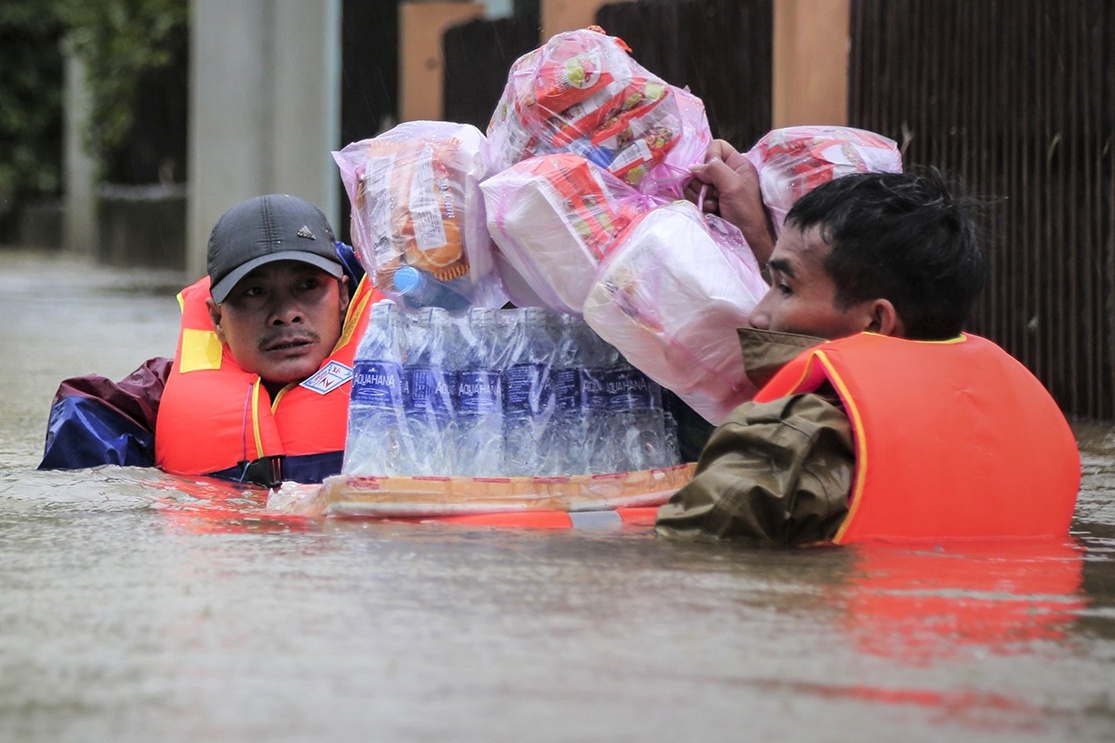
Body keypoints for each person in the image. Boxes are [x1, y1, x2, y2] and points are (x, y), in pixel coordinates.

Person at [658, 156, 1080, 545]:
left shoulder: (788, 437)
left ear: (877, 322)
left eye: (785, 288)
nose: (757, 316)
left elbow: (683, 559)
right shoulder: (1031, 437)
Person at [40, 194, 382, 486]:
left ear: (342, 297)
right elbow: (83, 418)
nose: (286, 314)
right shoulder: (159, 395)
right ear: (217, 318)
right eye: (255, 291)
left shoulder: (396, 374)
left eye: (307, 286)